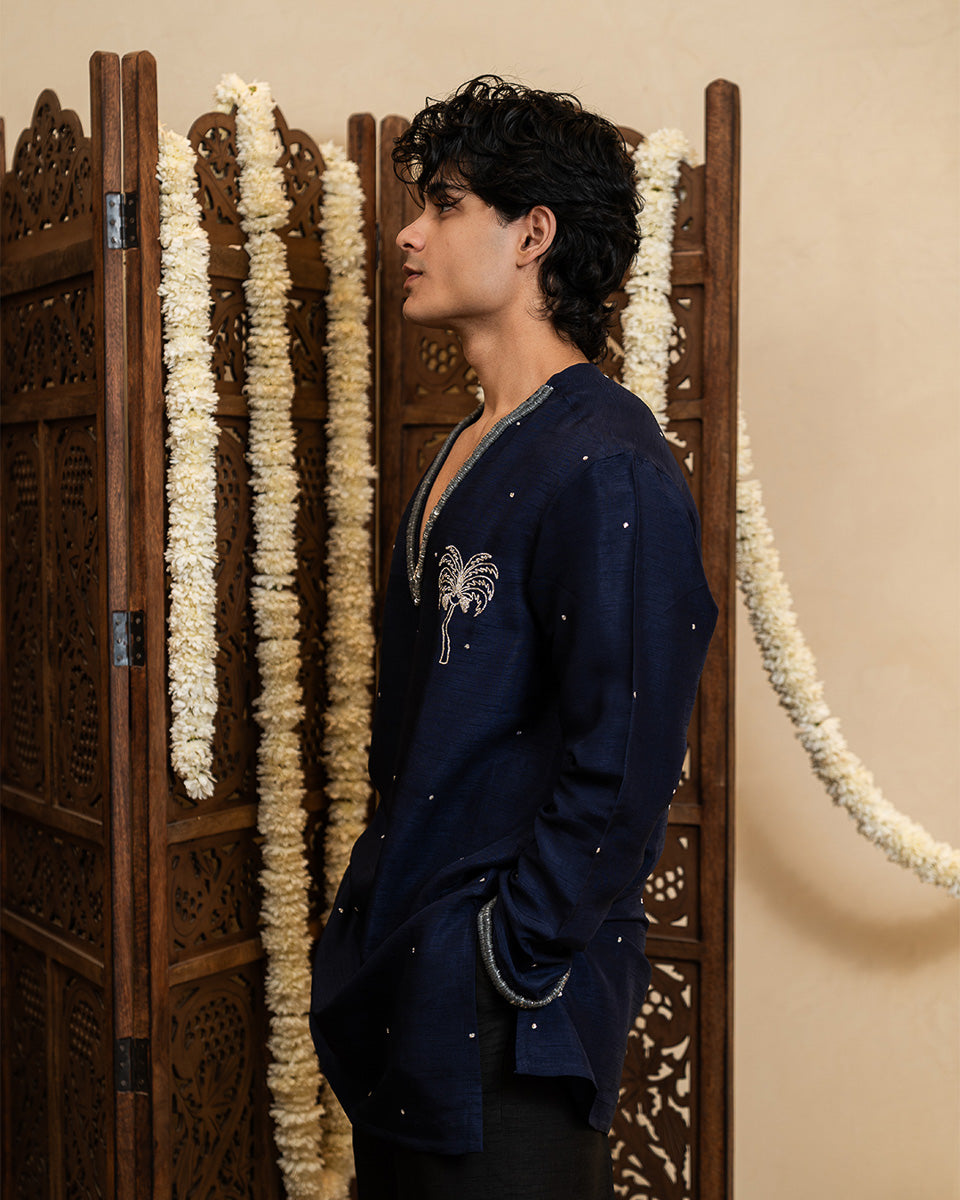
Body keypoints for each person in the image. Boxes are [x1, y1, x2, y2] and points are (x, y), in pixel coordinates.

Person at [310, 75, 717, 1200]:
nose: (408, 233)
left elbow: (623, 764)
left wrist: (506, 958)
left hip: (510, 1020)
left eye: (443, 204)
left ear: (533, 235)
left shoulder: (609, 464)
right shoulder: (466, 446)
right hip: (407, 985)